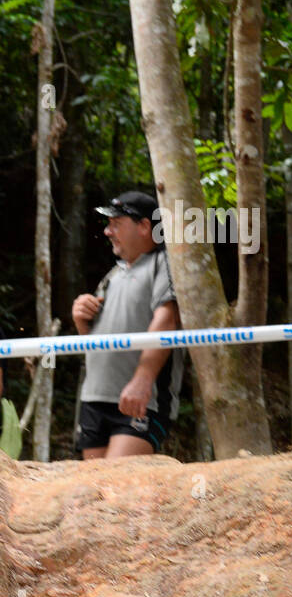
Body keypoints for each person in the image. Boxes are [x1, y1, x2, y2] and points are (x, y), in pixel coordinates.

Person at [72, 191, 183, 459]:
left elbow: (167, 320)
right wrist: (80, 318)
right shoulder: (113, 274)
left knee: (116, 488)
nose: (108, 232)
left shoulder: (164, 264)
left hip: (142, 399)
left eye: (116, 223)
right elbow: (94, 341)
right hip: (94, 398)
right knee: (92, 493)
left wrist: (142, 380)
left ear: (144, 226)